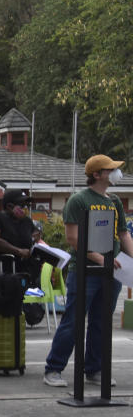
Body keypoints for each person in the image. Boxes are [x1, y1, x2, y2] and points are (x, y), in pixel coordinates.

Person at [43, 155, 133, 388]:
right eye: (110, 169)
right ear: (97, 174)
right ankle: (53, 368)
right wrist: (99, 258)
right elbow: (73, 238)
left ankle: (94, 369)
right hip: (85, 271)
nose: (116, 173)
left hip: (110, 272)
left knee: (102, 322)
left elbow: (123, 234)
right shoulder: (78, 200)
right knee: (73, 320)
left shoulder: (114, 201)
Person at [0, 188, 36, 281]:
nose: (26, 208)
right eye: (22, 205)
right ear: (9, 206)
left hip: (20, 274)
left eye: (28, 205)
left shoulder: (27, 222)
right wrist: (18, 251)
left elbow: (34, 240)